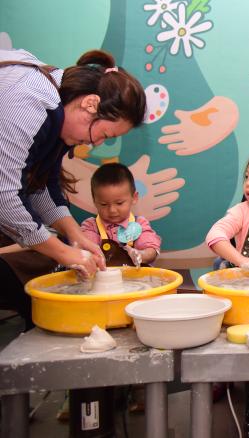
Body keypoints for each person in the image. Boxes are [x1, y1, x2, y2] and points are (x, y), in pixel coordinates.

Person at [0, 48, 146, 329]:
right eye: (104, 135)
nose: (96, 144)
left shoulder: (57, 111)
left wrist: (75, 235)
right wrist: (64, 252)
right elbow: (5, 196)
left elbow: (42, 187)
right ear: (90, 103)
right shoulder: (31, 100)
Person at [79, 163, 161, 267]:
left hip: (135, 276)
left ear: (134, 198)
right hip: (103, 275)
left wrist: (140, 255)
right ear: (95, 201)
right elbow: (87, 250)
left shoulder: (139, 224)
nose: (112, 210)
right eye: (104, 204)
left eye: (119, 203)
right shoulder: (91, 226)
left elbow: (151, 250)